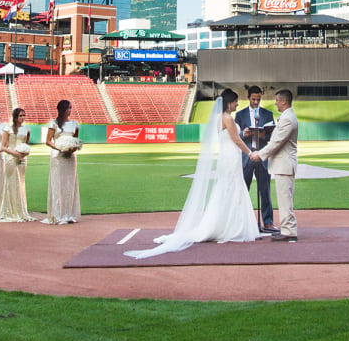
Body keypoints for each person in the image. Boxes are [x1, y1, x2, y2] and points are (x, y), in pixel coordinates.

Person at [125, 88, 261, 258]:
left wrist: (242, 133)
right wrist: (250, 153)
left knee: (227, 189)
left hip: (226, 157)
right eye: (235, 101)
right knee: (232, 189)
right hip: (231, 157)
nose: (237, 104)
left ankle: (225, 224)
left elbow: (232, 136)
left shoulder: (221, 118)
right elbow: (236, 139)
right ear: (228, 103)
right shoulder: (227, 118)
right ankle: (231, 226)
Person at [234, 84, 277, 234]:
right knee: (243, 188)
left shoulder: (267, 114)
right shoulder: (240, 115)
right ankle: (240, 220)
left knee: (265, 189)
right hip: (246, 156)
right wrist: (243, 135)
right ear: (248, 98)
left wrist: (264, 135)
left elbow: (273, 135)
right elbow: (234, 137)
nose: (256, 102)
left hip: (262, 154)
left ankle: (268, 222)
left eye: (258, 99)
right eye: (253, 99)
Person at [258, 89, 300, 241]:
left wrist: (260, 154)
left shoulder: (288, 118)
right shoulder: (286, 117)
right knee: (284, 198)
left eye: (277, 100)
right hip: (283, 164)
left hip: (284, 164)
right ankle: (287, 228)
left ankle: (289, 231)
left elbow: (277, 142)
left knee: (285, 199)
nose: (275, 103)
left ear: (283, 101)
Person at [42, 100, 81, 224]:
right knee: (58, 183)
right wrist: (60, 148)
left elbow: (76, 140)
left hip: (70, 157)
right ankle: (58, 214)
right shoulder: (54, 123)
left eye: (71, 108)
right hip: (58, 156)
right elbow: (48, 141)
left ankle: (69, 214)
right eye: (68, 108)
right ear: (62, 109)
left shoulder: (75, 123)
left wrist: (72, 148)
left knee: (70, 183)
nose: (70, 110)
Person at [0, 108, 37, 222]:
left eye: (24, 115)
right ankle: (11, 211)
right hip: (11, 158)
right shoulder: (7, 129)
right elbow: (3, 146)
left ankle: (21, 210)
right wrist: (14, 153)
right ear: (15, 117)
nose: (22, 118)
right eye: (20, 116)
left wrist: (25, 153)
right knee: (11, 183)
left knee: (21, 183)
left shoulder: (27, 129)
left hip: (22, 159)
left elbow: (27, 145)